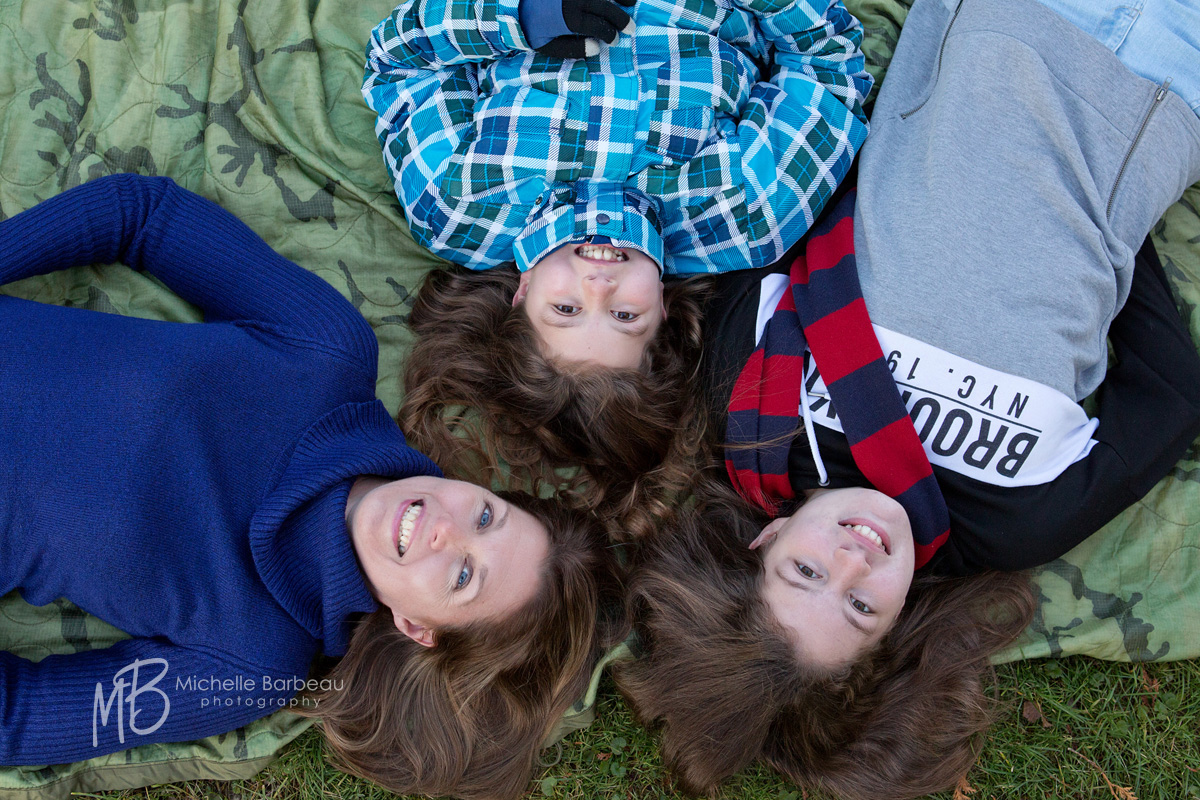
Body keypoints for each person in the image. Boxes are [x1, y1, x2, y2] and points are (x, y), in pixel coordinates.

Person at [617, 0, 1200, 794]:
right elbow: (1168, 397)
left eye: (807, 575)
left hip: (996, 29)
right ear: (896, 629)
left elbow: (789, 216)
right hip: (1165, 83)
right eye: (861, 608)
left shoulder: (753, 414)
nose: (855, 561)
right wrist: (1108, 240)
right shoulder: (1017, 521)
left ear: (765, 543)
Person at [0, 174, 625, 800]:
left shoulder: (250, 665)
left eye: (463, 577)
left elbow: (16, 721)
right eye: (486, 518)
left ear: (418, 628)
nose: (447, 530)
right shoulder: (327, 352)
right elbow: (141, 213)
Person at [362, 0, 873, 537]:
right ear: (666, 311)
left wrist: (518, 19)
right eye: (625, 315)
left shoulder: (458, 207)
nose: (598, 286)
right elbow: (827, 65)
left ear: (521, 294)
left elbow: (400, 60)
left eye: (565, 309)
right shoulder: (747, 214)